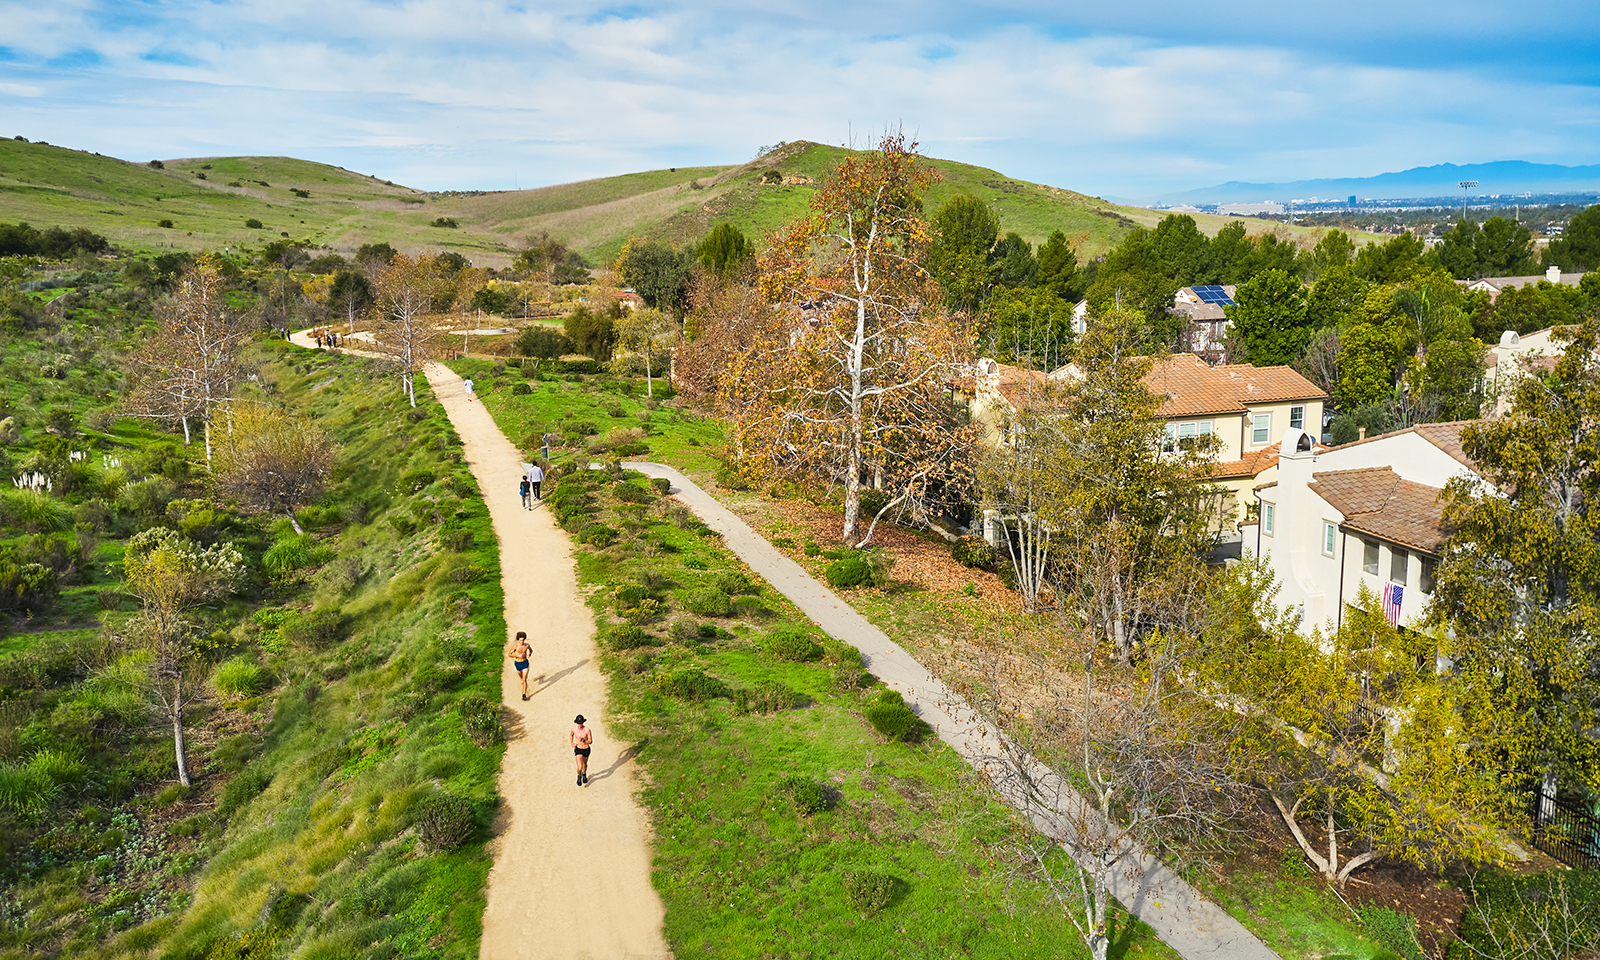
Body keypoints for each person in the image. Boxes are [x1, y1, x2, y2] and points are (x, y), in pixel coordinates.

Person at [507, 631, 533, 700]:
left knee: (524, 679)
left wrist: (529, 654)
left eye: (523, 640)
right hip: (518, 663)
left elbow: (531, 650)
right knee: (521, 677)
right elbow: (509, 654)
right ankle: (522, 681)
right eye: (520, 640)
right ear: (518, 640)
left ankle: (524, 694)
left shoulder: (526, 645)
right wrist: (517, 655)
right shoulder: (515, 646)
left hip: (525, 663)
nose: (521, 641)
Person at [571, 714, 592, 786]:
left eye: (581, 723)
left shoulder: (587, 730)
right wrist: (572, 743)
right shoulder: (574, 730)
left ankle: (584, 774)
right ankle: (579, 776)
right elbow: (571, 735)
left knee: (584, 765)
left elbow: (590, 741)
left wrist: (584, 741)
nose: (579, 725)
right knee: (579, 767)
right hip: (578, 749)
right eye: (578, 723)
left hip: (586, 749)